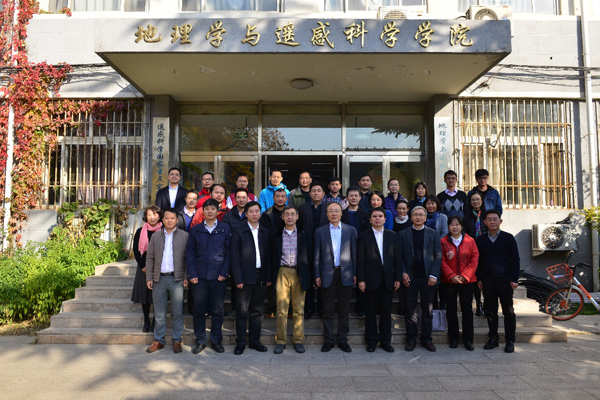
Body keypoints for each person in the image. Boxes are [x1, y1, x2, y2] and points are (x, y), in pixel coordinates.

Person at [186, 199, 231, 354]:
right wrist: (192, 273)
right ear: (202, 211)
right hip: (199, 277)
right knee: (198, 310)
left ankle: (216, 340)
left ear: (217, 211)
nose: (210, 211)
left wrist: (224, 273)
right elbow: (190, 253)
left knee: (217, 310)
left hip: (218, 277)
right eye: (207, 209)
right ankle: (200, 340)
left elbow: (229, 253)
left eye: (213, 209)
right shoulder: (196, 229)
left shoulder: (224, 228)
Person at [314, 202, 358, 353]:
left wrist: (355, 273)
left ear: (341, 213)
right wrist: (317, 274)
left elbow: (354, 254)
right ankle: (328, 340)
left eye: (336, 211)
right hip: (327, 274)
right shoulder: (320, 231)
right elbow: (316, 255)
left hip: (345, 273)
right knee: (328, 310)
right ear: (327, 214)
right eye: (331, 211)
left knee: (344, 310)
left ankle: (342, 340)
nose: (334, 214)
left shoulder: (350, 230)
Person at [397, 205, 442, 352]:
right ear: (411, 217)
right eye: (415, 215)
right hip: (409, 278)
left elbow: (438, 256)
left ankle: (427, 339)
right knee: (410, 310)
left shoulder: (433, 234)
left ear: (425, 217)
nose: (418, 217)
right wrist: (403, 272)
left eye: (421, 215)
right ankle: (411, 339)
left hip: (428, 278)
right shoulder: (403, 234)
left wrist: (434, 275)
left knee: (427, 311)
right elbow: (399, 256)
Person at [145, 208, 189, 354]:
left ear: (177, 220)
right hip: (159, 279)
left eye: (172, 218)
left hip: (176, 279)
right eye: (167, 218)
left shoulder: (184, 236)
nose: (169, 220)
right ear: (162, 220)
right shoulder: (156, 236)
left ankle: (177, 340)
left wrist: (185, 276)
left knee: (177, 312)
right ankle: (159, 340)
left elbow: (187, 259)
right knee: (159, 312)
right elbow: (150, 258)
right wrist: (149, 277)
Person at [357, 207, 401, 353]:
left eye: (380, 216)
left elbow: (397, 259)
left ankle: (385, 341)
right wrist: (361, 279)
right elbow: (360, 260)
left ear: (385, 219)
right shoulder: (363, 236)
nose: (377, 219)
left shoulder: (392, 236)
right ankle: (371, 341)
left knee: (386, 312)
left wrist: (398, 278)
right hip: (370, 279)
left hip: (388, 278)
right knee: (370, 312)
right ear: (370, 220)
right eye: (374, 216)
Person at [230, 201, 272, 355]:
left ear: (260, 213)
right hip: (244, 277)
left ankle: (255, 341)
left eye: (257, 211)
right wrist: (238, 279)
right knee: (242, 312)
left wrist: (268, 276)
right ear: (246, 214)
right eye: (251, 211)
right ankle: (241, 342)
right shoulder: (239, 231)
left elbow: (269, 256)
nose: (254, 214)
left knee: (257, 311)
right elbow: (234, 256)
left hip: (261, 276)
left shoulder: (265, 231)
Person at [476, 209, 520, 353]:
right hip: (488, 280)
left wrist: (514, 279)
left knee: (508, 311)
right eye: (489, 219)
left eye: (495, 219)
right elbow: (478, 261)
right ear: (485, 222)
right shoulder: (480, 240)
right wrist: (479, 278)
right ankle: (493, 338)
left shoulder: (508, 238)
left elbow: (515, 259)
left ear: (500, 221)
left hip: (505, 280)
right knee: (490, 311)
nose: (492, 222)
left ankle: (510, 340)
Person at [272, 206, 311, 354]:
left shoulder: (304, 233)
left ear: (297, 216)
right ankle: (281, 341)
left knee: (298, 309)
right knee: (281, 309)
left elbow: (309, 254)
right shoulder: (276, 234)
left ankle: (298, 340)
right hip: (282, 271)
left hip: (299, 272)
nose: (289, 217)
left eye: (292, 214)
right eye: (287, 214)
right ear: (282, 217)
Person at [440, 216, 479, 351]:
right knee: (451, 310)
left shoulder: (470, 241)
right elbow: (441, 260)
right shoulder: (443, 241)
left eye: (457, 224)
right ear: (448, 226)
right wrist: (451, 276)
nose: (454, 227)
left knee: (467, 310)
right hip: (449, 281)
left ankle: (468, 339)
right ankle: (454, 338)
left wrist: (464, 276)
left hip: (467, 281)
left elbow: (474, 259)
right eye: (452, 224)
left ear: (462, 226)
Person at [298, 182, 328, 319]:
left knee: (323, 276)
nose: (316, 193)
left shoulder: (329, 208)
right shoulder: (302, 208)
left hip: (324, 246)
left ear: (323, 193)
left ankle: (322, 308)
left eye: (319, 191)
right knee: (309, 277)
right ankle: (309, 308)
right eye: (313, 191)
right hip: (307, 246)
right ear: (309, 194)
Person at [131, 205, 162, 333]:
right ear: (145, 217)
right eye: (149, 215)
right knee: (145, 295)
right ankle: (146, 320)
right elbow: (136, 250)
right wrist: (143, 265)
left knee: (158, 295)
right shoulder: (140, 231)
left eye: (155, 214)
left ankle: (155, 320)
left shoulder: (163, 231)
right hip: (143, 267)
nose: (152, 217)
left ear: (159, 216)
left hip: (160, 268)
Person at [463, 191, 487, 316]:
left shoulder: (487, 215)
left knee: (486, 278)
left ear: (482, 201)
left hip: (486, 250)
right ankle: (478, 304)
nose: (475, 202)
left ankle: (487, 304)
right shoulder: (466, 217)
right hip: (472, 251)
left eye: (478, 199)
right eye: (473, 200)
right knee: (475, 279)